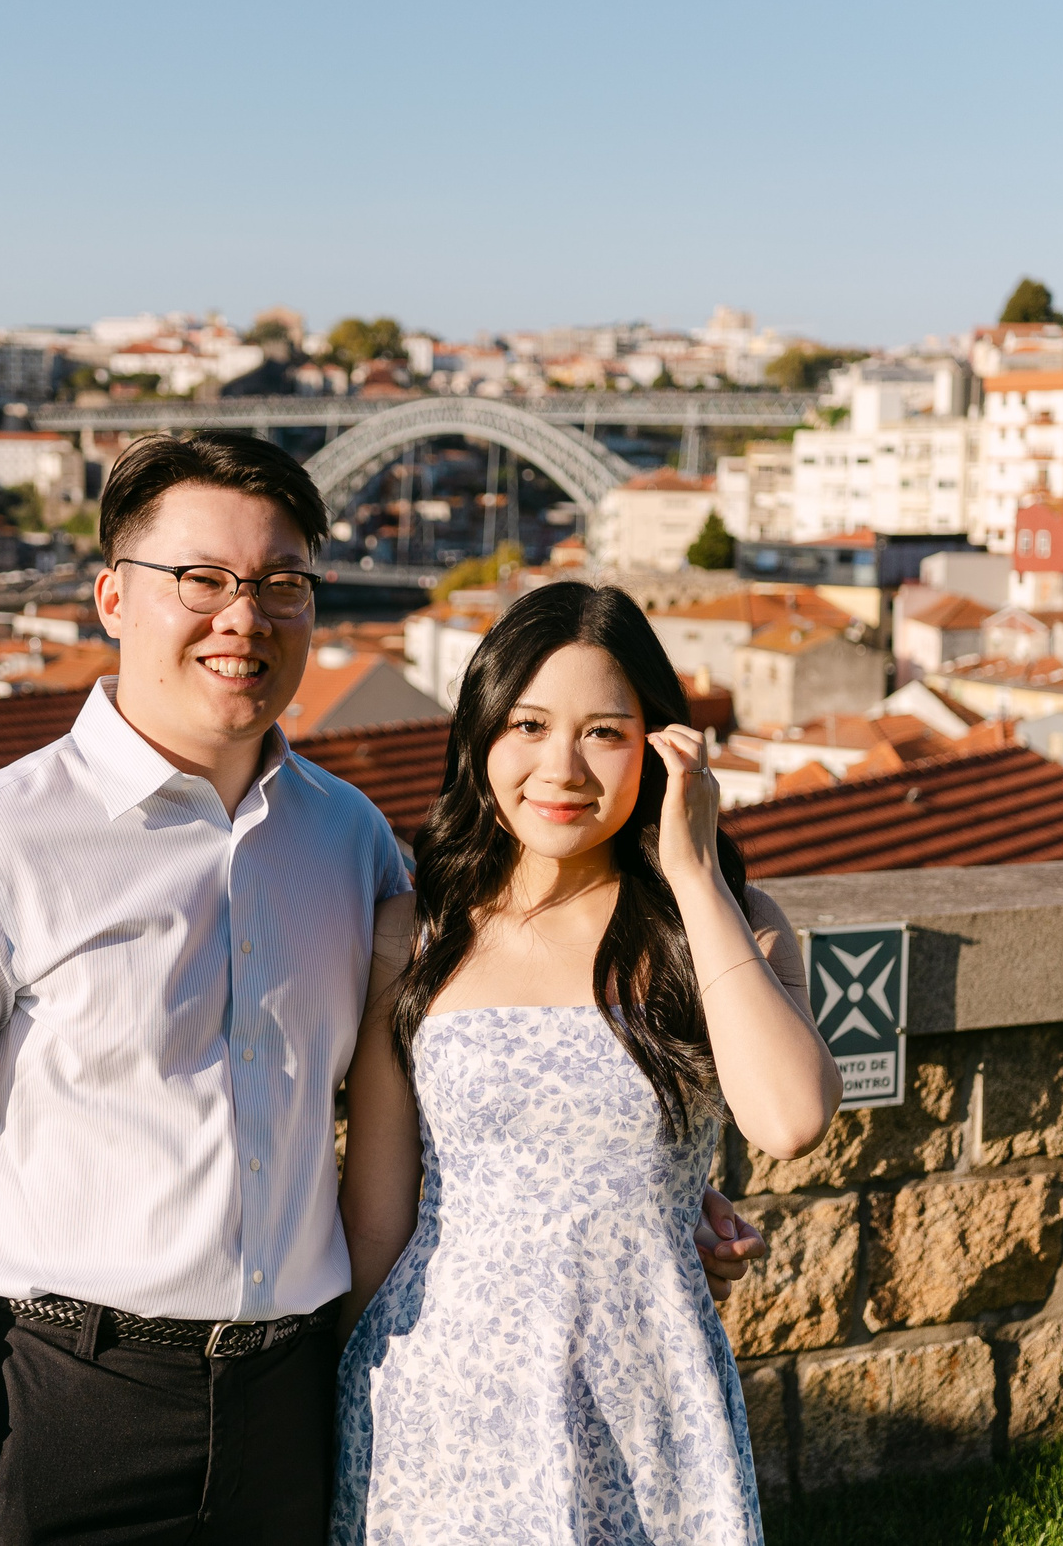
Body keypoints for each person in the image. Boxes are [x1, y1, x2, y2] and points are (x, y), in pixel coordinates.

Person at [0, 432, 771, 1546]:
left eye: (280, 586)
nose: (244, 618)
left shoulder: (349, 841)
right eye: (202, 581)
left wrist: (636, 1173)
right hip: (62, 1410)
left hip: (288, 1407)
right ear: (113, 595)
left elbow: (474, 1033)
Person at [333, 580, 842, 1545]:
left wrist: (693, 874)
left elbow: (789, 1119)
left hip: (648, 1389)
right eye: (527, 723)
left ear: (658, 747)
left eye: (604, 731)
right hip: (440, 1395)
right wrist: (334, 1410)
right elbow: (376, 1219)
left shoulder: (731, 929)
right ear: (482, 734)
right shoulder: (418, 935)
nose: (560, 766)